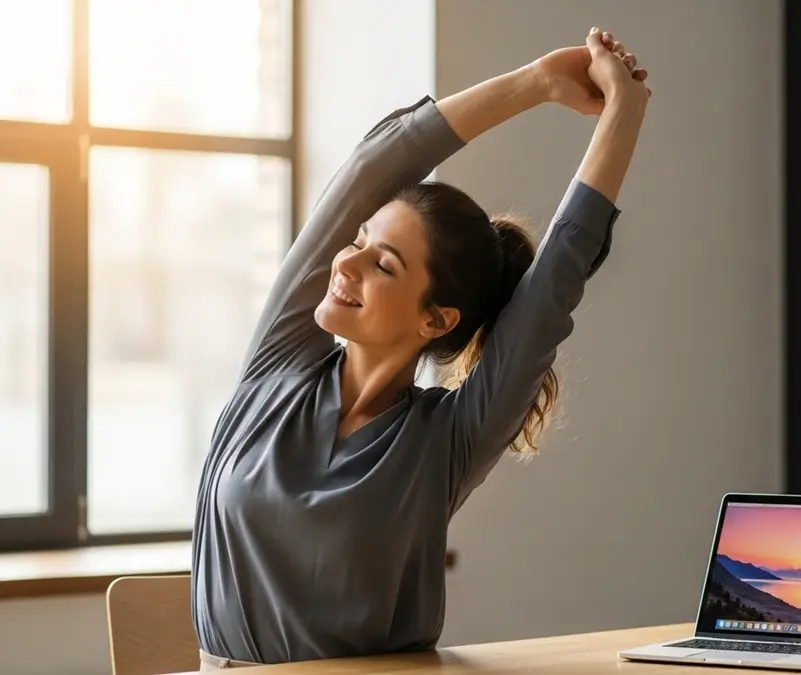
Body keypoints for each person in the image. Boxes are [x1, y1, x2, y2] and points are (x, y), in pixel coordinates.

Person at [189, 27, 650, 669]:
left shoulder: (446, 442)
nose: (345, 264)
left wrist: (625, 109)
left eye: (384, 264)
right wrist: (537, 81)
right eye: (357, 240)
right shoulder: (280, 361)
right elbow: (371, 169)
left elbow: (555, 278)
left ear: (436, 320)